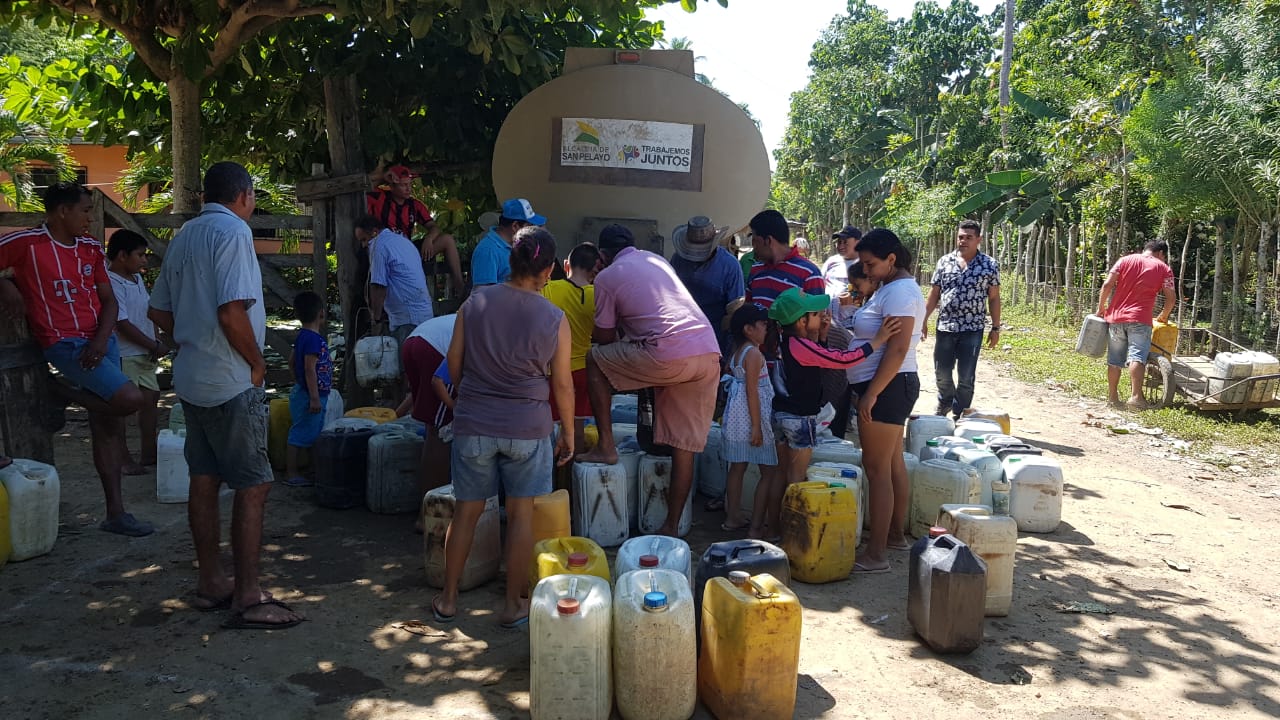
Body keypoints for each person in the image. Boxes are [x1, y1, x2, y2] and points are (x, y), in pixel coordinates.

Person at [149, 161, 304, 629]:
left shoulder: (185, 235)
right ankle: (248, 593)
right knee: (254, 485)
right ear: (245, 195)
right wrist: (256, 362)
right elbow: (231, 312)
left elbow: (159, 311)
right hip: (228, 380)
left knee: (205, 478)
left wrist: (192, 340)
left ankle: (212, 581)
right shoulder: (233, 233)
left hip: (193, 376)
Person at [433, 227, 574, 628]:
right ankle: (513, 605)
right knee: (521, 515)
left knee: (466, 513)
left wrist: (474, 399)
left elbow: (455, 366)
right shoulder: (554, 318)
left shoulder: (474, 304)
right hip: (528, 428)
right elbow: (561, 383)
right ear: (547, 270)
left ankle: (447, 599)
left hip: (474, 422)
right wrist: (568, 431)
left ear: (511, 261)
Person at [0, 182, 151, 537]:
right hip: (63, 343)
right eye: (84, 210)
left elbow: (109, 302)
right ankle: (59, 392)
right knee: (129, 400)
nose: (90, 217)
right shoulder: (26, 244)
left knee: (108, 424)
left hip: (100, 341)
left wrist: (100, 341)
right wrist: (4, 283)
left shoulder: (91, 248)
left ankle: (116, 513)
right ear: (62, 211)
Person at [577, 225, 721, 537]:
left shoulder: (606, 277)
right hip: (707, 351)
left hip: (669, 354)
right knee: (685, 447)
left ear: (602, 255)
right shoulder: (658, 261)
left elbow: (603, 338)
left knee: (594, 362)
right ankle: (672, 527)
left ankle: (605, 445)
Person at [767, 288, 898, 539]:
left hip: (781, 415)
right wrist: (879, 340)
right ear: (801, 321)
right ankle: (792, 534)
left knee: (779, 474)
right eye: (816, 314)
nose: (823, 316)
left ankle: (773, 528)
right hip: (800, 420)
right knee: (796, 478)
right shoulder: (801, 344)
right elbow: (843, 360)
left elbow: (813, 360)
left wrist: (822, 336)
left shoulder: (784, 341)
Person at [848, 229, 926, 574]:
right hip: (892, 385)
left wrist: (872, 393)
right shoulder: (892, 289)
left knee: (876, 469)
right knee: (891, 464)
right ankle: (893, 535)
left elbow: (896, 349)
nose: (866, 270)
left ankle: (876, 553)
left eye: (871, 263)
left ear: (891, 259)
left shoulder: (901, 292)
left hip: (889, 386)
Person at [923, 220, 1002, 419]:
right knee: (942, 371)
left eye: (968, 237)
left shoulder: (989, 265)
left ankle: (960, 413)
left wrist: (995, 327)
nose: (963, 241)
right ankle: (945, 400)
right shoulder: (944, 262)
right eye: (960, 237)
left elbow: (994, 298)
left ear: (978, 240)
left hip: (972, 328)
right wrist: (923, 319)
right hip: (946, 325)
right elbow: (934, 294)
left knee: (966, 376)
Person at [107, 229, 170, 474]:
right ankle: (123, 459)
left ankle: (149, 454)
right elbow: (121, 323)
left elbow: (147, 311)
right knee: (122, 409)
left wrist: (155, 339)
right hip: (124, 353)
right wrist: (153, 344)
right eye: (140, 255)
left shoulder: (137, 279)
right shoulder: (111, 281)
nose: (144, 260)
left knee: (150, 403)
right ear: (122, 255)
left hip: (144, 352)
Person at [718, 303, 777, 534]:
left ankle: (732, 517)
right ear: (748, 329)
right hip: (753, 417)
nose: (766, 329)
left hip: (736, 418)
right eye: (763, 325)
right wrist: (756, 427)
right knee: (769, 471)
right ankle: (755, 525)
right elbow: (752, 391)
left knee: (738, 467)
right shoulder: (753, 353)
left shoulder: (736, 351)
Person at [1097, 239, 1176, 410]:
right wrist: (1163, 316)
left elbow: (1107, 284)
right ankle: (1136, 397)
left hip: (1116, 318)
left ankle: (1113, 397)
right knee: (1137, 357)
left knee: (1114, 360)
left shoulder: (1124, 260)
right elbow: (1171, 299)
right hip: (1141, 319)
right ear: (1161, 253)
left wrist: (1101, 308)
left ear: (1145, 249)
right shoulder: (1164, 268)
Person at [541, 243, 602, 452]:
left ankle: (553, 476)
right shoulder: (598, 295)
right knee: (576, 427)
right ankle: (574, 474)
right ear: (595, 268)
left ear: (567, 265)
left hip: (555, 371)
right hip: (584, 369)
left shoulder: (550, 289)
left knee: (550, 429)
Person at [398, 313, 458, 522]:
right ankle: (430, 516)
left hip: (415, 341)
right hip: (436, 351)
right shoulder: (489, 325)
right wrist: (453, 407)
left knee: (432, 426)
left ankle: (428, 511)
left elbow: (419, 395)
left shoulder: (471, 314)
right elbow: (437, 382)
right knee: (439, 434)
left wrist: (396, 414)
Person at [366, 164, 464, 291]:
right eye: (403, 185)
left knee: (447, 240)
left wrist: (429, 238)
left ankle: (461, 289)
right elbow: (365, 185)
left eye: (409, 184)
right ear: (392, 186)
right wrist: (385, 176)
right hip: (386, 254)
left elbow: (434, 227)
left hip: (408, 251)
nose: (408, 189)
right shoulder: (380, 197)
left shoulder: (415, 205)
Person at [354, 214, 433, 346]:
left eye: (364, 240)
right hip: (424, 314)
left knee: (405, 364)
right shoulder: (402, 241)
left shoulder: (378, 245)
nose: (363, 245)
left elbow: (378, 286)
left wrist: (376, 319)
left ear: (374, 232)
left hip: (407, 319)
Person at [670, 215, 744, 354]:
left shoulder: (730, 266)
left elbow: (735, 312)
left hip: (716, 341)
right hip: (682, 337)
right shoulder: (678, 260)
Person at [283, 292, 332, 488]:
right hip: (313, 395)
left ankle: (312, 469)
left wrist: (298, 383)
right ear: (321, 313)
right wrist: (313, 396)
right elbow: (309, 368)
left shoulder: (303, 336)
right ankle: (291, 472)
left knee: (312, 431)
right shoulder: (313, 340)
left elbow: (291, 362)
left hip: (305, 392)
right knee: (300, 433)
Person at [744, 209, 824, 310]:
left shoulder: (810, 274)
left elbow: (817, 319)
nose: (753, 248)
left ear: (768, 241)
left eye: (755, 241)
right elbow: (749, 311)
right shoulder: (756, 269)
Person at [472, 198, 547, 287]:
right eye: (530, 226)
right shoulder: (488, 251)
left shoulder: (518, 244)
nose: (533, 231)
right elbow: (483, 294)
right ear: (515, 226)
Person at [824, 225, 863, 326]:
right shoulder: (831, 261)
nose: (840, 246)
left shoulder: (865, 263)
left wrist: (854, 296)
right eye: (839, 242)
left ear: (857, 242)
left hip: (851, 323)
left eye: (845, 242)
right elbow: (820, 283)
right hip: (828, 323)